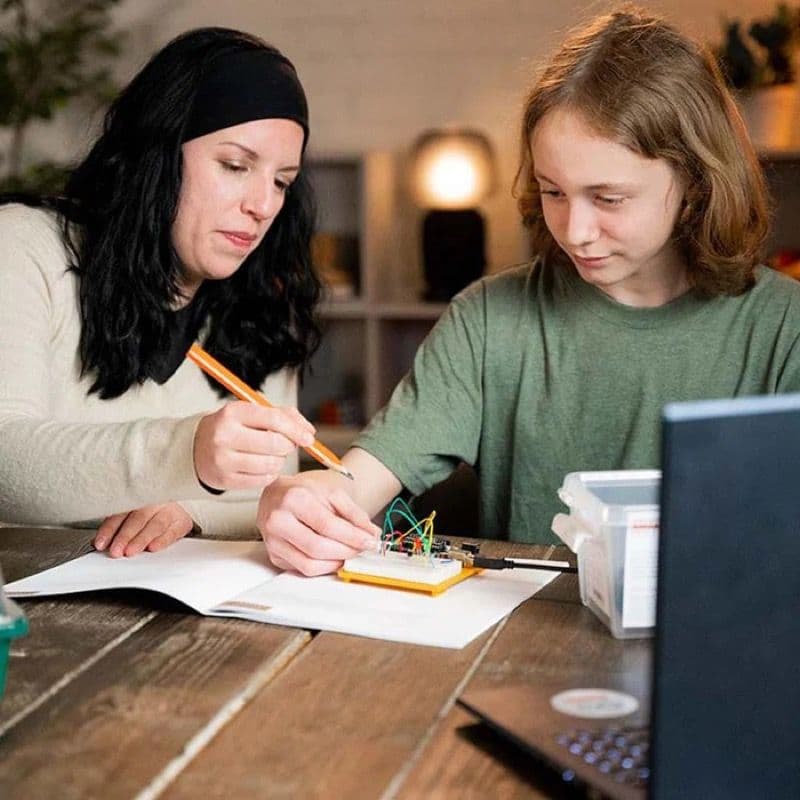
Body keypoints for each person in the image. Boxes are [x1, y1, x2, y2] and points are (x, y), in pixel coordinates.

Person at [256, 9, 800, 576]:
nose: (575, 230)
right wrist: (307, 501)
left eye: (608, 199)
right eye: (553, 191)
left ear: (695, 184)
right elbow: (359, 480)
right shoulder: (489, 319)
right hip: (516, 649)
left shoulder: (786, 330)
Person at [0, 28, 360, 557]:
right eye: (235, 166)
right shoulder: (24, 247)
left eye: (282, 181)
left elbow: (274, 490)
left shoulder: (262, 307)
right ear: (160, 156)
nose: (263, 204)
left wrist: (191, 510)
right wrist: (187, 454)